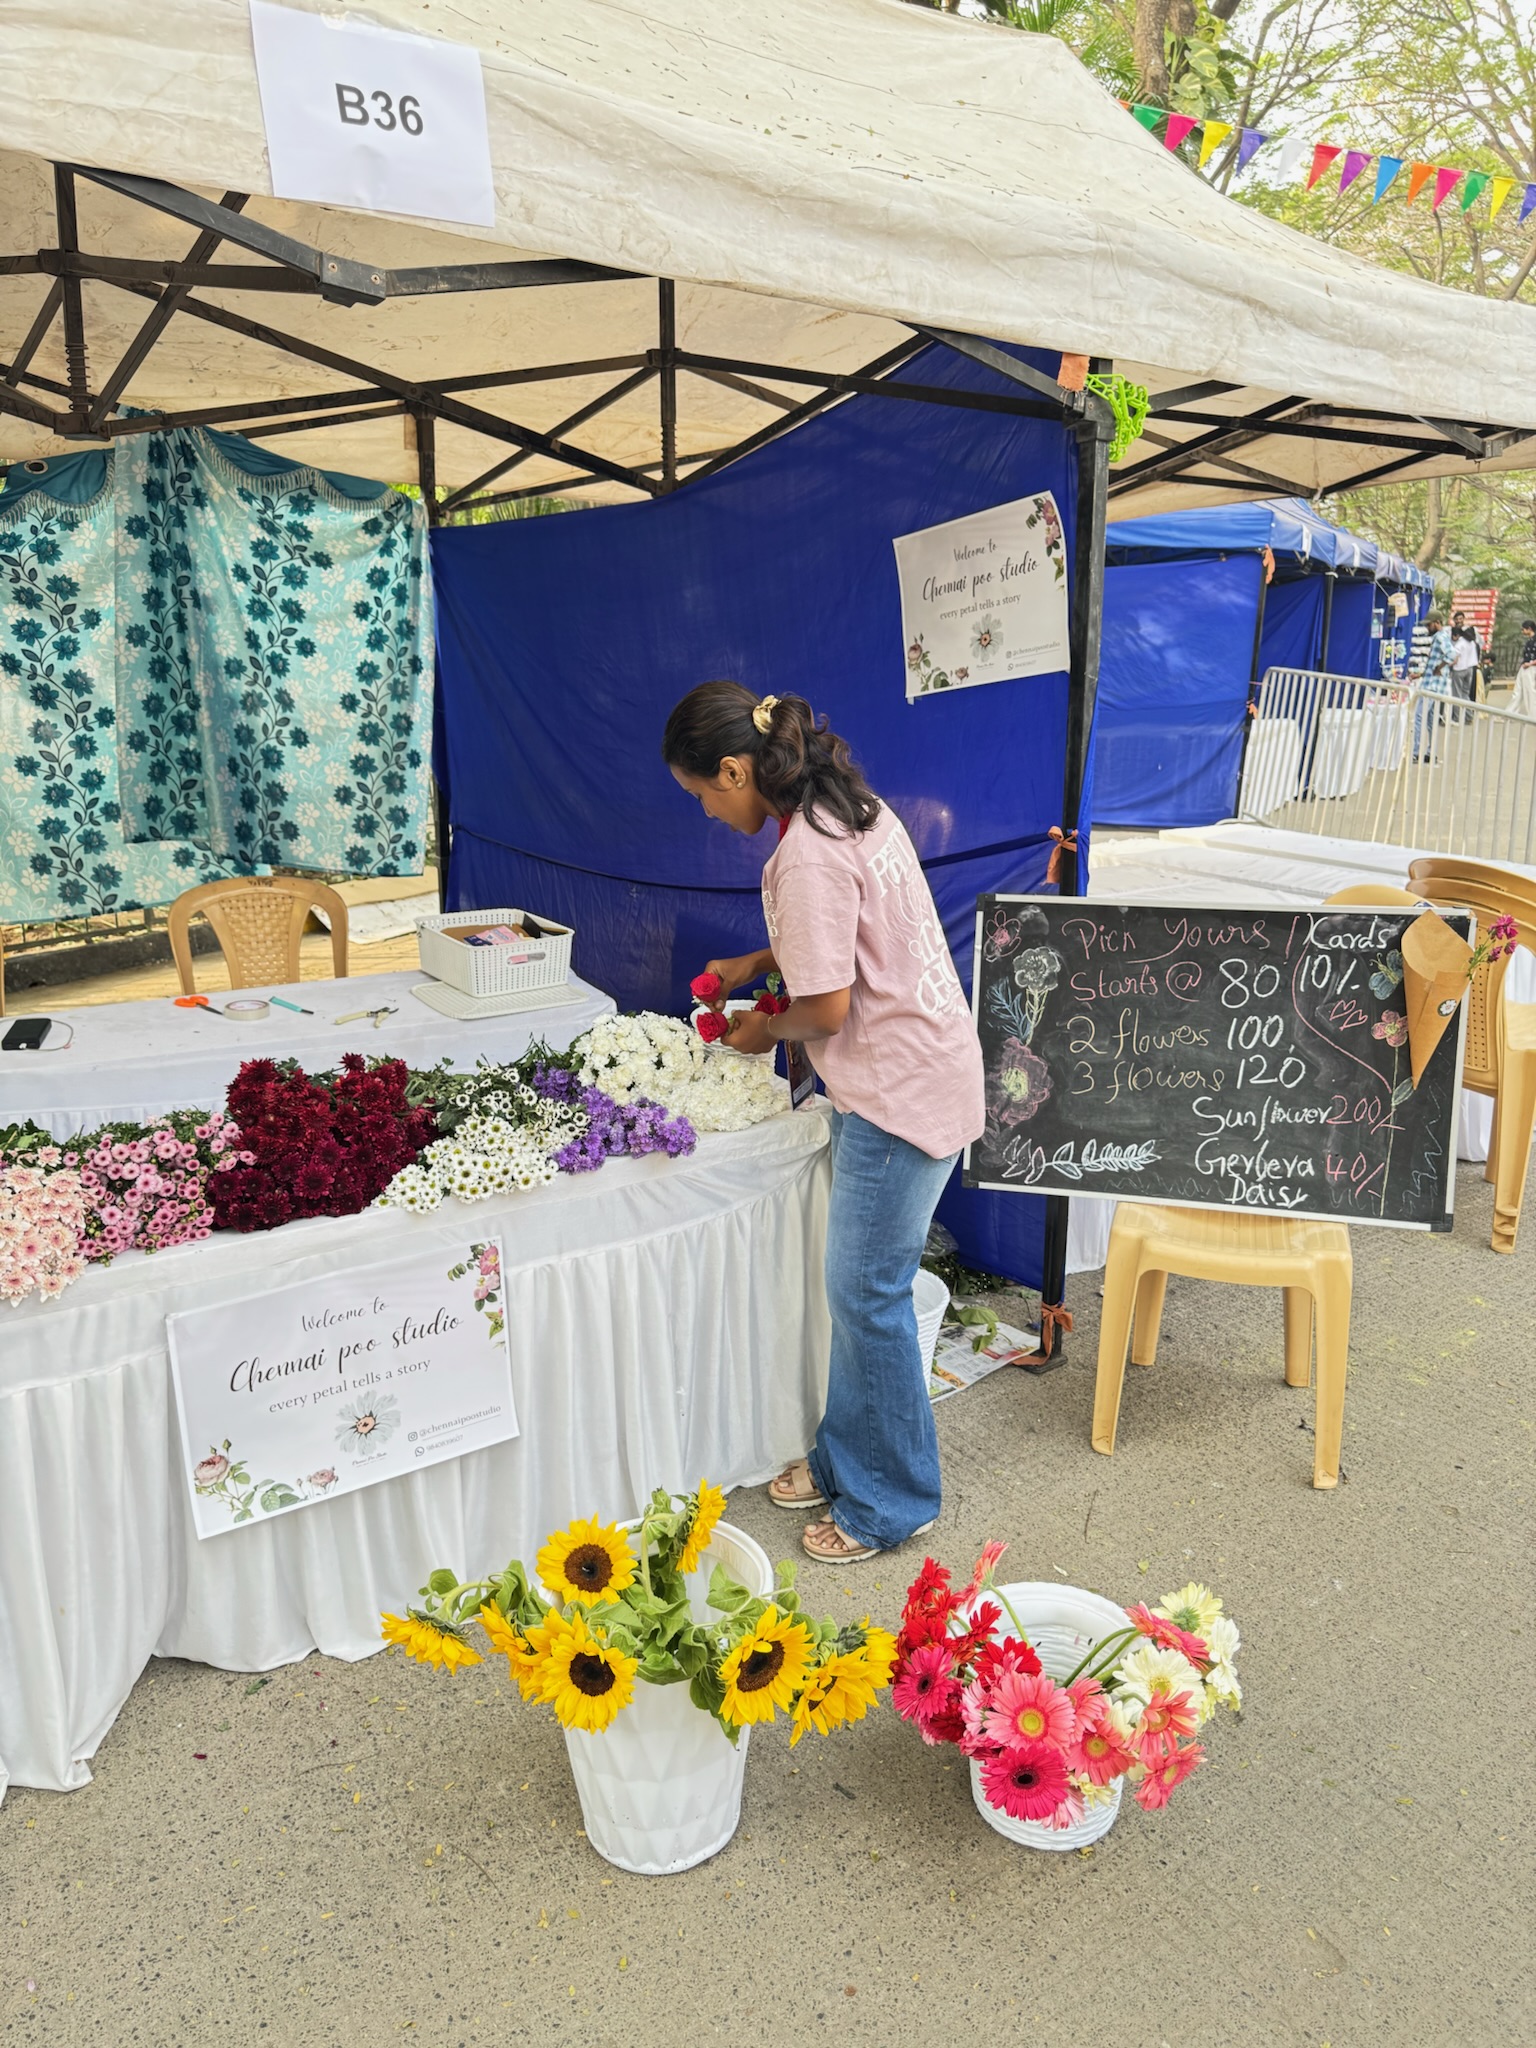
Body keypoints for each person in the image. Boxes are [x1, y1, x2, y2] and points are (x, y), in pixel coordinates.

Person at [663, 680, 984, 1565]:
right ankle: (850, 1460)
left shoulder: (803, 852)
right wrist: (754, 958)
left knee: (868, 1298)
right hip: (922, 1069)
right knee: (860, 1293)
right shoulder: (850, 807)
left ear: (735, 769)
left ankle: (892, 1501)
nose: (706, 811)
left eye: (702, 794)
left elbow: (828, 1007)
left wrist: (758, 1027)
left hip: (896, 1096)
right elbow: (849, 931)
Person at [1413, 613, 1454, 760]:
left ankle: (1415, 752)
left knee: (1418, 717)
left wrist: (1439, 668)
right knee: (1431, 721)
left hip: (1431, 686)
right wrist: (1421, 674)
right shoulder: (1443, 637)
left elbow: (1452, 655)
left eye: (1429, 625)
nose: (1427, 628)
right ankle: (1431, 752)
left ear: (1437, 623)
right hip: (1435, 685)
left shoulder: (1440, 637)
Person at [1449, 609, 1480, 712]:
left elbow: (1455, 657)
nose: (1459, 621)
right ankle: (1468, 715)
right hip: (1470, 667)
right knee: (1465, 693)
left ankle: (1458, 716)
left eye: (1460, 619)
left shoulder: (1460, 642)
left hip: (1459, 668)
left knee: (1457, 694)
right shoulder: (1470, 640)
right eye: (1457, 619)